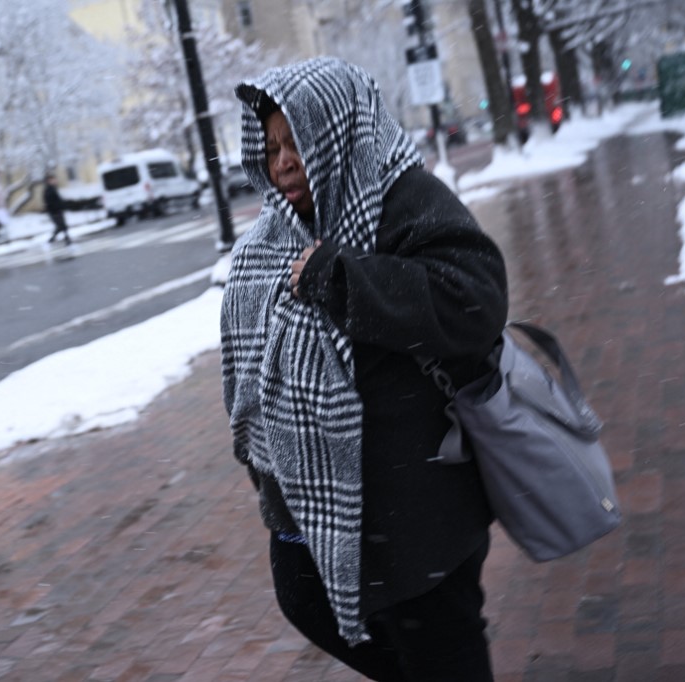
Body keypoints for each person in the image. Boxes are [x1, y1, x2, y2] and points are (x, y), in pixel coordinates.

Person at [221, 58, 509, 681]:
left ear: (339, 132)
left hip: (420, 512)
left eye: (297, 141)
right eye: (271, 148)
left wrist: (339, 277)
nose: (283, 163)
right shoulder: (277, 234)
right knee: (306, 603)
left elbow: (474, 301)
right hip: (314, 512)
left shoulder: (401, 198)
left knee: (442, 650)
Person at [43, 174, 71, 245]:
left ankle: (66, 239)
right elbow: (50, 202)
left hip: (57, 210)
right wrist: (55, 208)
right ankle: (53, 240)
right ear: (49, 181)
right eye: (53, 180)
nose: (55, 181)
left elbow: (57, 200)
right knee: (61, 226)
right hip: (55, 211)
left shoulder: (53, 189)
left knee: (62, 226)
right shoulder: (49, 190)